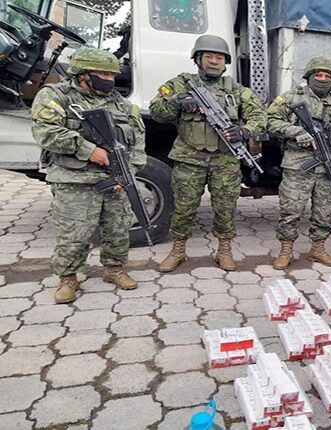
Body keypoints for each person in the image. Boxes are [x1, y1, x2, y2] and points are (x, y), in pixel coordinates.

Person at [31, 47, 146, 303]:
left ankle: (114, 269)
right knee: (74, 232)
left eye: (112, 74)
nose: (110, 79)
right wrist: (88, 150)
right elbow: (46, 132)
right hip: (74, 180)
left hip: (114, 179)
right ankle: (68, 278)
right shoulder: (55, 96)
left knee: (118, 228)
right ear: (82, 74)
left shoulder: (120, 103)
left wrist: (128, 173)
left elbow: (138, 140)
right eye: (103, 74)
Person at [150, 35, 267, 272]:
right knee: (183, 208)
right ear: (198, 59)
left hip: (224, 160)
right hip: (189, 157)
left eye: (219, 58)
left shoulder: (236, 90)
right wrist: (176, 102)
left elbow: (260, 116)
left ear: (225, 63)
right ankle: (178, 251)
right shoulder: (179, 85)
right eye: (209, 57)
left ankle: (224, 251)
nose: (214, 61)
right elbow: (156, 112)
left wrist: (244, 131)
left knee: (225, 209)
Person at [267, 57, 331, 269]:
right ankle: (286, 250)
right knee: (290, 210)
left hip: (330, 168)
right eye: (318, 75)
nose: (322, 79)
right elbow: (270, 121)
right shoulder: (291, 97)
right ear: (309, 76)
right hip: (298, 166)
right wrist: (296, 131)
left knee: (324, 212)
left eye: (327, 76)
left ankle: (317, 249)